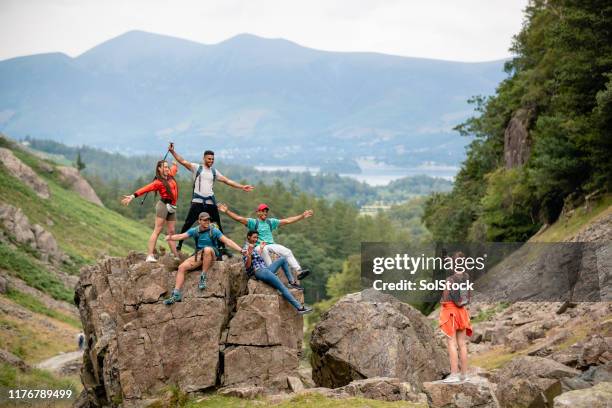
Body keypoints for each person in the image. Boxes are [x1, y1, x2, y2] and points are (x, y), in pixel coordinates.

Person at [167, 144, 255, 254]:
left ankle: (222, 247)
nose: (211, 161)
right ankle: (179, 244)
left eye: (212, 159)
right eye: (209, 159)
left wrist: (241, 187)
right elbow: (182, 161)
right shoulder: (196, 168)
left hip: (210, 201)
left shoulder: (214, 172)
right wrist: (172, 152)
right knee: (188, 223)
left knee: (217, 223)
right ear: (204, 158)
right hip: (197, 201)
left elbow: (227, 181)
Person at [163, 212, 243, 305]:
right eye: (204, 220)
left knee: (207, 249)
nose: (207, 221)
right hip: (199, 254)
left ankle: (203, 276)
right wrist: (170, 237)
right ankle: (176, 294)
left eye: (208, 219)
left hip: (212, 253)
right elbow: (181, 236)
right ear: (199, 221)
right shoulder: (195, 230)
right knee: (181, 267)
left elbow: (227, 241)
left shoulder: (214, 231)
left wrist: (241, 250)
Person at [218, 202, 312, 280]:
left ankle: (298, 271)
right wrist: (227, 211)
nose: (265, 213)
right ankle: (271, 272)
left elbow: (287, 221)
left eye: (266, 211)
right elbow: (239, 219)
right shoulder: (253, 222)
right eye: (262, 211)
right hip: (259, 246)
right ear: (258, 212)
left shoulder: (270, 222)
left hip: (271, 244)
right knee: (264, 249)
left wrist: (302, 216)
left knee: (287, 251)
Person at [121, 159, 180, 262]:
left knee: (171, 232)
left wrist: (174, 163)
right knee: (157, 230)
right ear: (159, 169)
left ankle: (176, 256)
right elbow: (145, 188)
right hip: (163, 206)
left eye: (167, 167)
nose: (167, 168)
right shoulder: (158, 182)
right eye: (165, 167)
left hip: (172, 207)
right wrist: (132, 196)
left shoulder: (170, 175)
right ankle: (150, 256)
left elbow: (174, 169)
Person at [243, 230, 312, 315]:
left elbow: (256, 259)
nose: (256, 239)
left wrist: (260, 249)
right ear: (248, 237)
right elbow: (247, 265)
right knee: (282, 288)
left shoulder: (252, 247)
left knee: (283, 259)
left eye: (257, 237)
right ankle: (300, 308)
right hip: (260, 272)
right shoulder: (246, 248)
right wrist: (249, 254)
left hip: (265, 270)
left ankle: (291, 282)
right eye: (254, 237)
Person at [439, 252, 473, 383]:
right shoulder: (466, 277)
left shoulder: (450, 280)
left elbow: (446, 297)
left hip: (451, 313)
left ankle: (454, 375)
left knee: (451, 343)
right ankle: (464, 374)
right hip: (462, 312)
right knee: (462, 344)